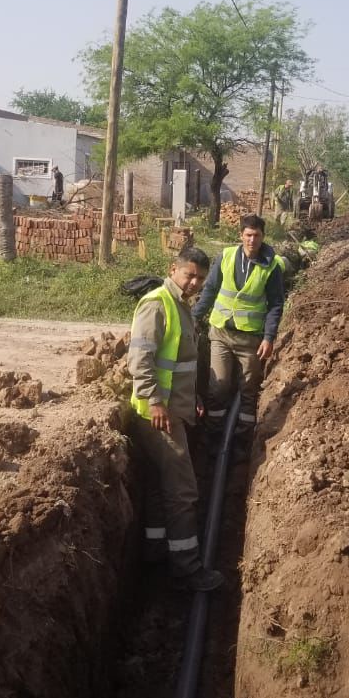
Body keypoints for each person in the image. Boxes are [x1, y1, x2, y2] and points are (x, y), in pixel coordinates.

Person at [127, 245, 223, 593]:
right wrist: (156, 402)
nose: (195, 282)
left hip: (173, 409)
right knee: (183, 492)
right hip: (159, 415)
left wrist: (192, 396)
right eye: (189, 275)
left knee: (158, 484)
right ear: (174, 269)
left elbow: (179, 363)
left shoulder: (182, 306)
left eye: (200, 277)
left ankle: (155, 549)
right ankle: (187, 567)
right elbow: (140, 360)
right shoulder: (157, 304)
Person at [192, 213, 285, 460]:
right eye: (248, 235)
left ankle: (242, 443)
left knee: (247, 392)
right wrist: (192, 318)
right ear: (240, 235)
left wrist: (269, 337)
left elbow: (276, 304)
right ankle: (213, 436)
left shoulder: (271, 265)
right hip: (221, 333)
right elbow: (210, 290)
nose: (252, 240)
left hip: (250, 340)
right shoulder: (226, 256)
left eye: (256, 235)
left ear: (263, 237)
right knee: (218, 388)